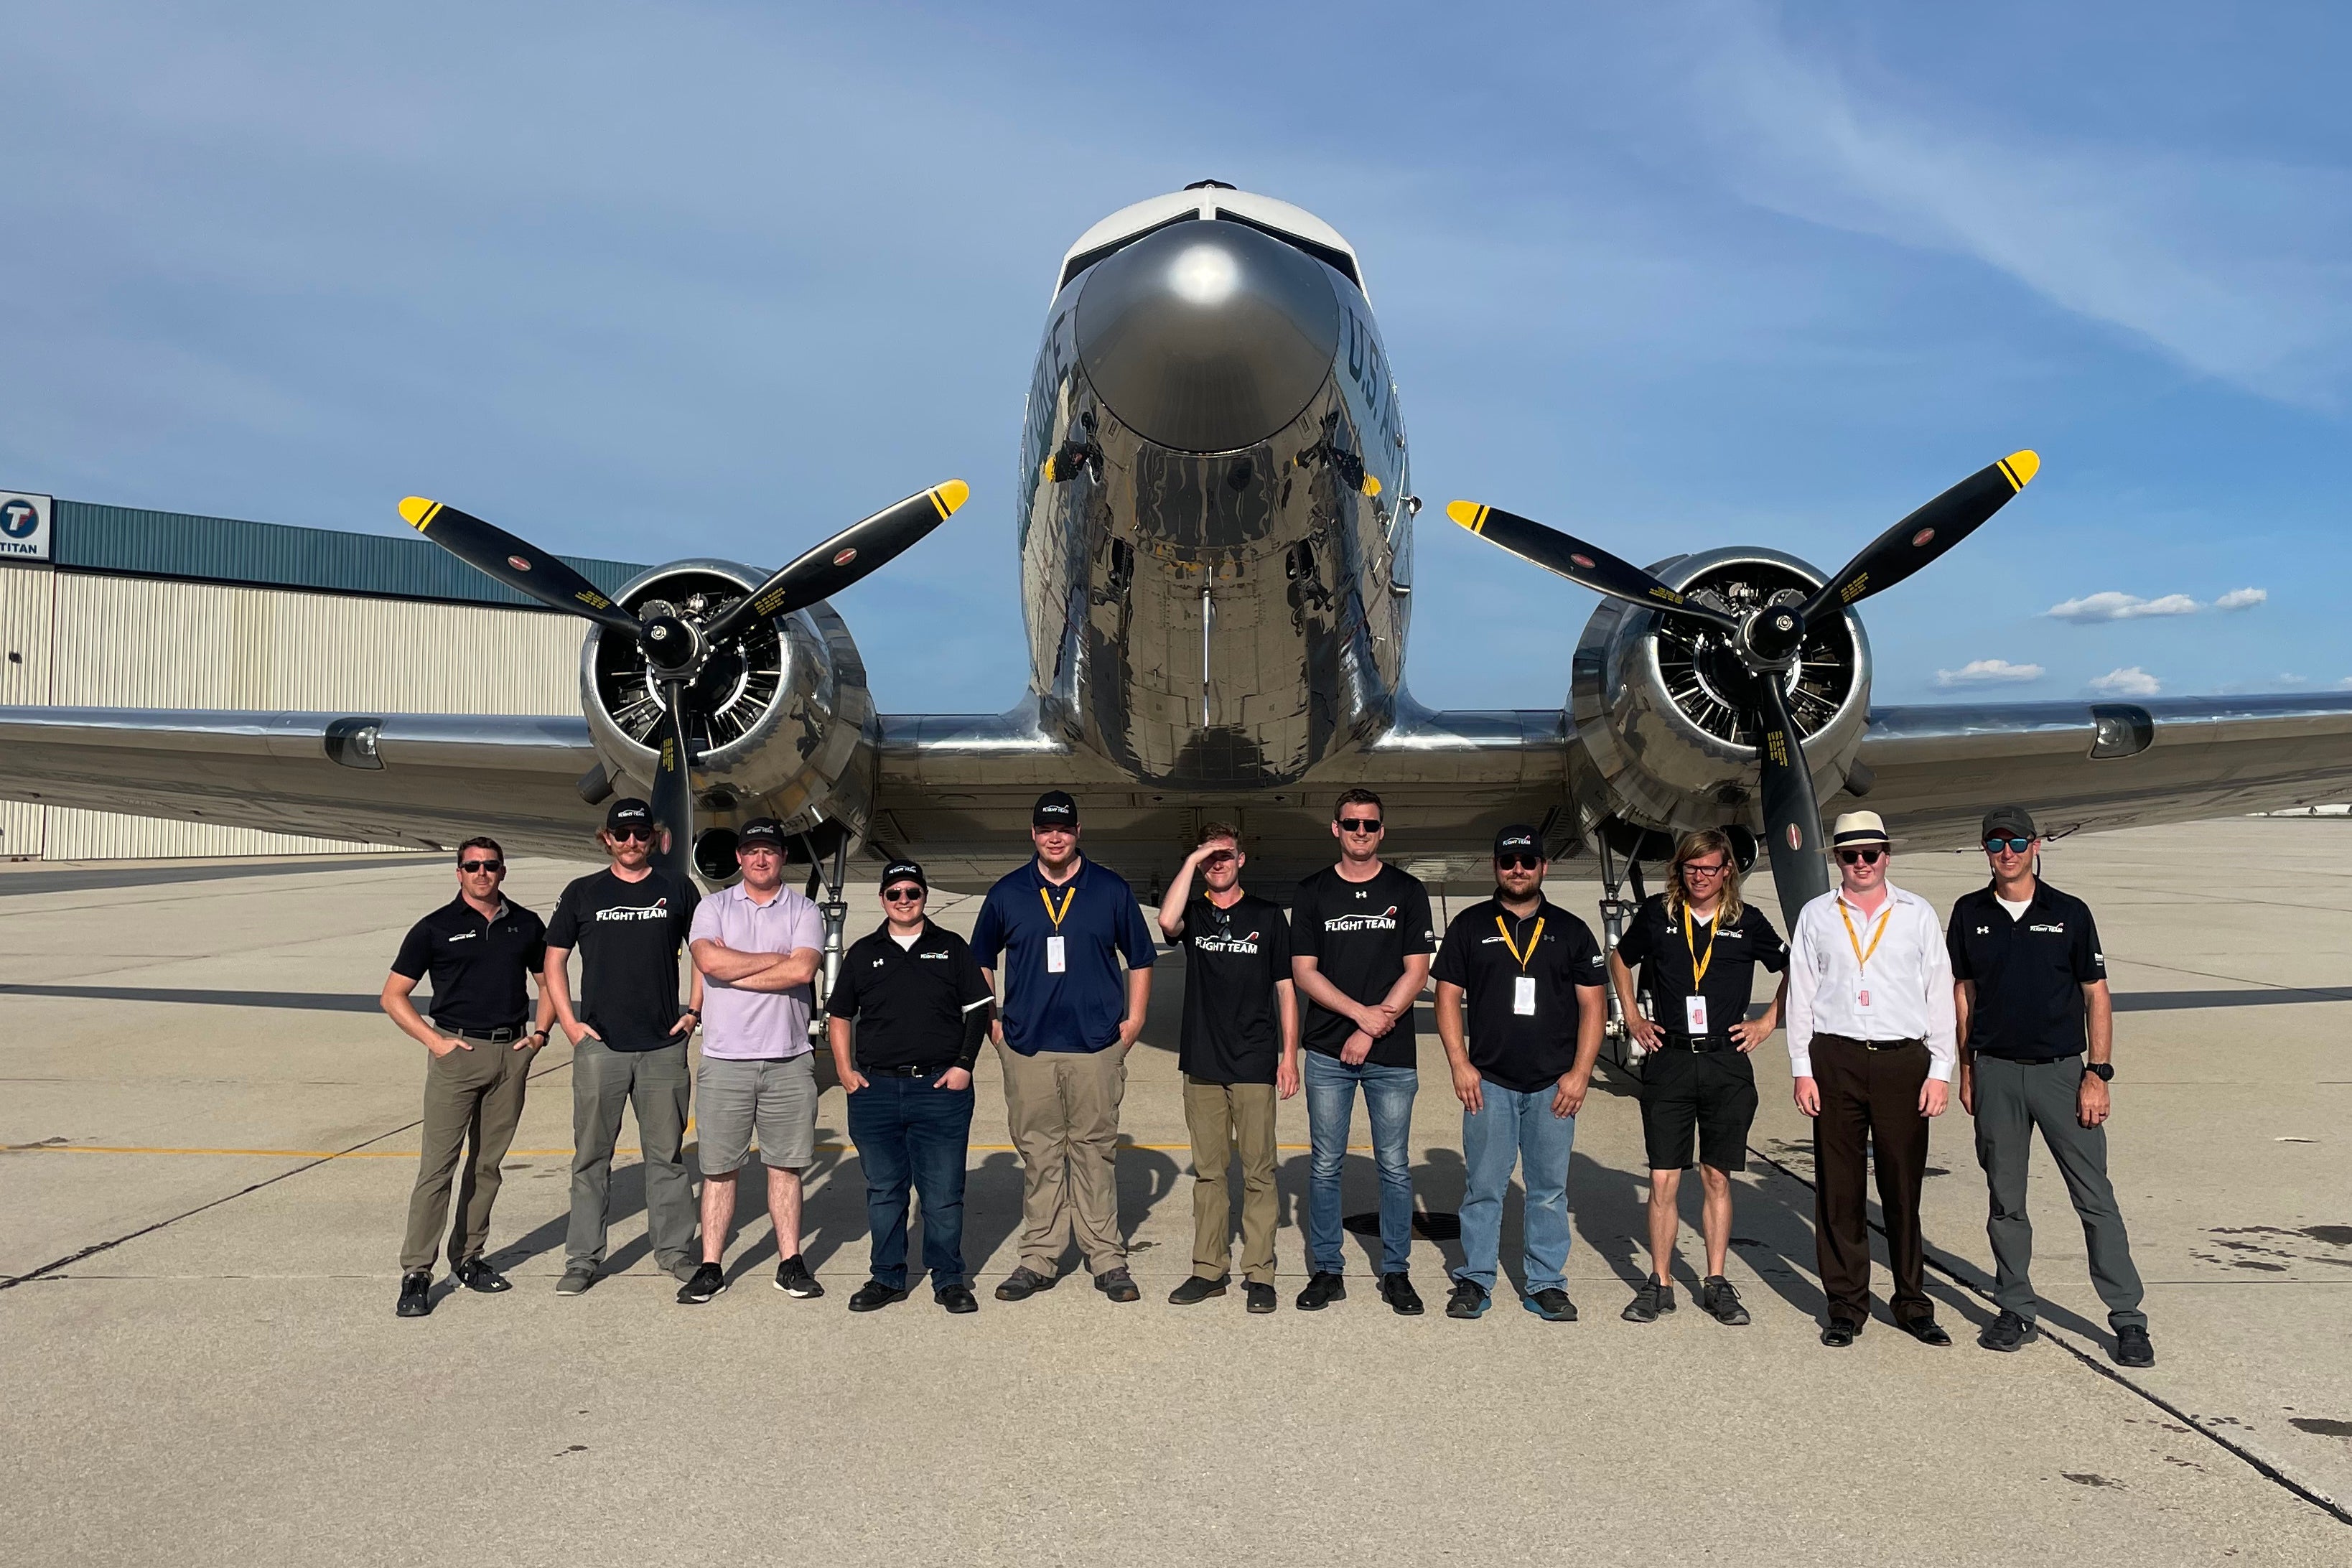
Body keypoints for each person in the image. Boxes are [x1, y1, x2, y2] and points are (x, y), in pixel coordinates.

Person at [1950, 806, 2153, 1367]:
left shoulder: (2069, 913)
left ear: (2035, 846)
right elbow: (1964, 993)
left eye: (2017, 842)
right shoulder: (1969, 913)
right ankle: (2015, 1308)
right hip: (1996, 1072)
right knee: (2005, 1202)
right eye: (1997, 843)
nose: (2007, 852)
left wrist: (2098, 1073)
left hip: (2063, 1074)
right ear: (1986, 850)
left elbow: (2096, 994)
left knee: (2095, 1199)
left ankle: (2128, 1318)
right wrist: (1967, 1070)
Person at [971, 791, 1157, 1305]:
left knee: (1095, 1152)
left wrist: (1135, 1021)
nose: (1055, 838)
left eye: (1064, 829)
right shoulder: (1008, 892)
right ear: (1033, 834)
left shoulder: (1109, 889)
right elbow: (980, 957)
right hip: (1027, 1046)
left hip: (1096, 1045)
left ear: (1078, 832)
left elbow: (1141, 957)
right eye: (1046, 829)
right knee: (1040, 1155)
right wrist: (992, 1020)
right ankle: (1040, 1257)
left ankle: (1106, 1257)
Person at [1785, 810, 1957, 1348]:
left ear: (1887, 856)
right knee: (1839, 1190)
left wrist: (1941, 1070)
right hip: (1835, 1058)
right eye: (1850, 855)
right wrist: (1802, 1070)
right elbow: (1801, 995)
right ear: (1837, 859)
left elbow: (1940, 993)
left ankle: (1912, 1302)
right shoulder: (1816, 914)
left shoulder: (1917, 914)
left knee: (1902, 1188)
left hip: (1902, 1060)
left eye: (1871, 854)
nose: (1861, 864)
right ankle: (1846, 1306)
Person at [1607, 829, 1787, 1327]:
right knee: (1663, 1177)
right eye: (1692, 867)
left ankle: (1716, 1280)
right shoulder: (1659, 915)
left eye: (1710, 868)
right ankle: (1660, 1282)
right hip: (1670, 1059)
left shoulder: (1746, 922)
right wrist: (1632, 1016)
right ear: (1679, 870)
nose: (1701, 877)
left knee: (1716, 1176)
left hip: (1725, 1061)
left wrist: (1768, 1022)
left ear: (1728, 871)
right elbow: (1620, 958)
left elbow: (1794, 967)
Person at [1432, 826, 1608, 1322]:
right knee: (1484, 1188)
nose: (1518, 870)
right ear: (1495, 866)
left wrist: (1580, 1073)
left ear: (1543, 867)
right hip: (1489, 1082)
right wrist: (1460, 1063)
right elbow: (1447, 996)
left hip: (1554, 1085)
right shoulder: (1470, 925)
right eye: (1508, 861)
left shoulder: (1571, 930)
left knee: (1549, 1191)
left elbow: (1593, 1006)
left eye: (1528, 861)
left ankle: (1546, 1283)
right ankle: (1475, 1278)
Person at [380, 838, 554, 1319]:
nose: (482, 873)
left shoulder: (525, 924)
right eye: (472, 866)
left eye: (490, 866)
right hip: (457, 1054)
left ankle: (469, 1258)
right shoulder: (434, 927)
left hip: (510, 1055)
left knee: (487, 1166)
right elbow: (393, 996)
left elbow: (549, 982)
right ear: (458, 872)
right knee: (437, 1168)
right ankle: (417, 1271)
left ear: (503, 872)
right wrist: (434, 1042)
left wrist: (540, 1035)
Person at [542, 798, 703, 1297]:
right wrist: (569, 1023)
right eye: (622, 834)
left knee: (667, 1157)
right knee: (591, 1158)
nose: (632, 842)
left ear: (653, 838)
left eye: (640, 833)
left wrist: (694, 1011)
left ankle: (674, 1251)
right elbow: (553, 959)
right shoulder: (582, 891)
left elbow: (703, 952)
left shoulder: (677, 888)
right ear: (606, 838)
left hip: (662, 1047)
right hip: (601, 1046)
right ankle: (583, 1258)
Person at [1289, 787, 1437, 1315]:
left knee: (1394, 1166)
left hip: (1390, 1056)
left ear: (1381, 831)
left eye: (1370, 825)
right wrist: (1359, 1016)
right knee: (1325, 1165)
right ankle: (1327, 1270)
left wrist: (1373, 1029)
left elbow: (1417, 971)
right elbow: (1304, 972)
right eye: (1351, 823)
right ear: (1336, 829)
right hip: (1328, 1053)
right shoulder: (1312, 892)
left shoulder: (1408, 890)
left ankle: (1396, 1271)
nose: (1360, 832)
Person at [826, 859, 994, 1315]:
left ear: (924, 897)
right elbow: (839, 1015)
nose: (904, 901)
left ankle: (949, 1279)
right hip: (876, 1091)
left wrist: (964, 1065)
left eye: (913, 893)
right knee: (885, 1191)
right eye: (895, 893)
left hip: (940, 1089)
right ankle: (886, 1276)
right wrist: (844, 1070)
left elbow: (978, 1008)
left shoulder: (951, 947)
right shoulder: (864, 952)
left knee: (943, 1194)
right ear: (883, 899)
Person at [681, 818, 826, 1305]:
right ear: (739, 857)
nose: (761, 859)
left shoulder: (804, 909)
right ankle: (711, 1265)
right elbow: (708, 963)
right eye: (753, 851)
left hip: (789, 1059)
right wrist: (774, 960)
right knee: (719, 1168)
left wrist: (734, 969)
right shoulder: (712, 907)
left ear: (783, 856)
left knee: (786, 1166)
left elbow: (802, 970)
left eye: (770, 851)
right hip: (726, 1060)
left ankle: (791, 1262)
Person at [1157, 823, 1299, 1314]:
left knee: (1260, 1171)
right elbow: (1166, 921)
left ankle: (1260, 1274)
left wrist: (1289, 1057)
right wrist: (1192, 859)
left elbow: (1285, 989)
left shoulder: (1267, 916)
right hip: (1203, 1060)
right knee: (1209, 1174)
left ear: (1242, 860)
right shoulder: (1195, 914)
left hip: (1254, 1061)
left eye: (1226, 855)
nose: (1218, 864)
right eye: (1210, 858)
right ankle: (1208, 1270)